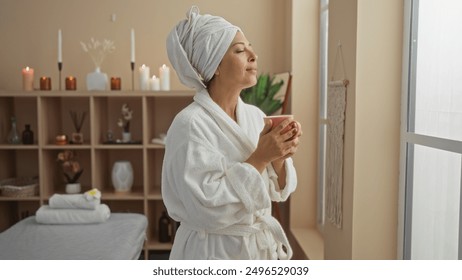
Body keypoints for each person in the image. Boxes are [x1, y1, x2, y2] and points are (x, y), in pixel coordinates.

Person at [162, 6, 302, 260]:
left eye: (250, 47)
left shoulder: (255, 116)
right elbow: (205, 206)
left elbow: (274, 191)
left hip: (257, 250)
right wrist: (260, 158)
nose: (253, 55)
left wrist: (279, 157)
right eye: (239, 50)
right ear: (214, 65)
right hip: (212, 252)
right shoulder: (190, 125)